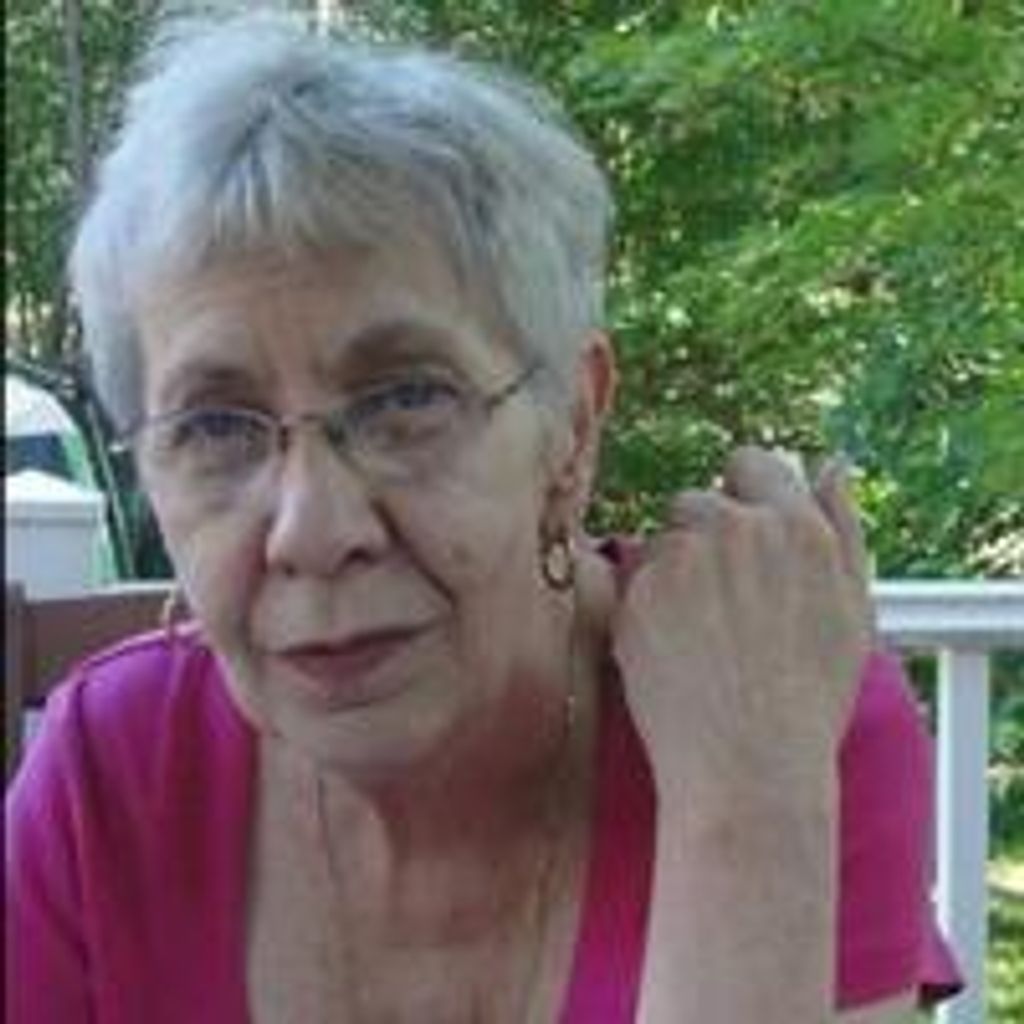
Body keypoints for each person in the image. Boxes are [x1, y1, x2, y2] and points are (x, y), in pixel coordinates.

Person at [6, 10, 962, 1022]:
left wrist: (744, 799)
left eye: (405, 400)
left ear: (571, 426)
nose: (313, 531)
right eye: (215, 426)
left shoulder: (772, 710)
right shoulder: (115, 770)